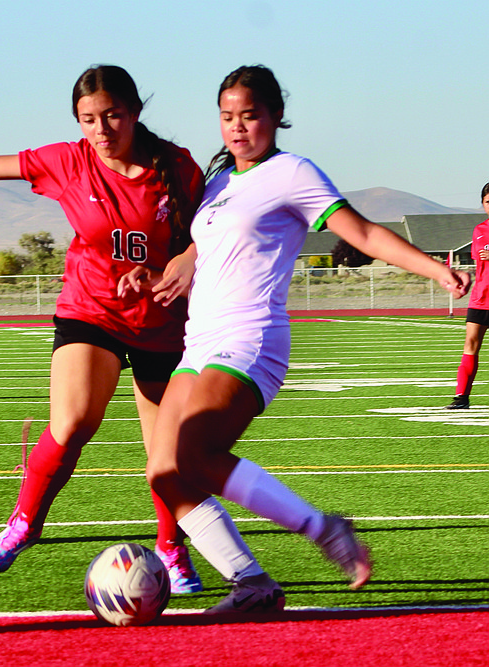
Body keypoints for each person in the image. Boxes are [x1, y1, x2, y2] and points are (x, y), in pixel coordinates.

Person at [121, 65, 471, 614]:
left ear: (276, 117)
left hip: (249, 337)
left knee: (197, 451)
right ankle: (252, 584)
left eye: (250, 115)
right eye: (227, 116)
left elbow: (361, 232)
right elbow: (203, 249)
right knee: (164, 470)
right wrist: (165, 271)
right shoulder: (218, 184)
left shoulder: (292, 173)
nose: (238, 128)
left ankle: (324, 529)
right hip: (200, 340)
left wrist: (434, 269)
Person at [0, 65, 206, 594]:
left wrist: (181, 262)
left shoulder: (178, 168)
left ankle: (171, 550)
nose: (101, 128)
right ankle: (25, 522)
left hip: (162, 320)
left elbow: (211, 233)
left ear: (136, 111)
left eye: (112, 115)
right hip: (92, 311)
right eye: (88, 118)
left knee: (168, 453)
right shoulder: (68, 161)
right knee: (70, 425)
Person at [445, 182, 489, 409]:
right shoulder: (479, 230)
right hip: (481, 299)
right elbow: (480, 266)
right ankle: (462, 397)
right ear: (482, 205)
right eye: (488, 202)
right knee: (470, 345)